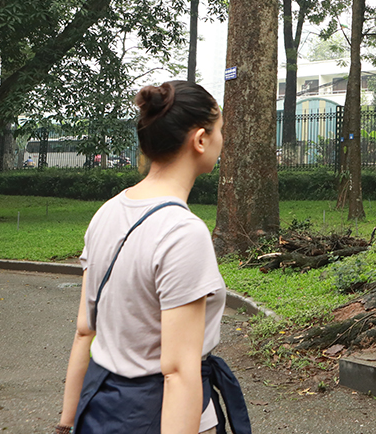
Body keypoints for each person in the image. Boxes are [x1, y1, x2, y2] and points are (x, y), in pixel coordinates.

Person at [55, 81, 250, 434]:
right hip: (157, 415)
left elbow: (85, 331)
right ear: (201, 139)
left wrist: (67, 422)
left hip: (101, 411)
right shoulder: (181, 231)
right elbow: (177, 372)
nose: (222, 142)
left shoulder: (107, 212)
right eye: (220, 131)